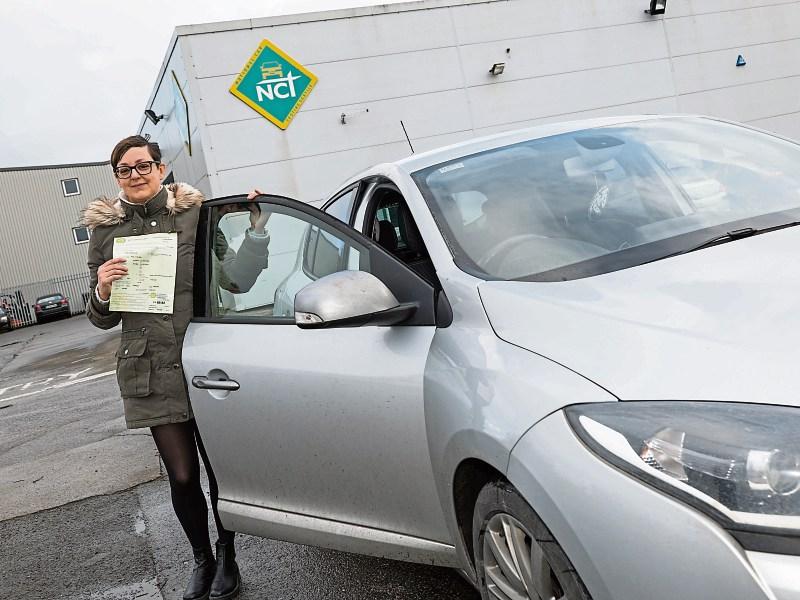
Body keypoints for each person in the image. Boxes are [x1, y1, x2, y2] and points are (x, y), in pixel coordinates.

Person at [82, 135, 269, 600]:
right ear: (116, 177)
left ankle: (227, 556)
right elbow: (102, 318)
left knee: (217, 469)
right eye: (125, 169)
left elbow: (237, 280)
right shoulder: (104, 233)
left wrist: (257, 231)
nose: (135, 175)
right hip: (150, 368)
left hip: (203, 361)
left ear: (161, 169)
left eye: (143, 165)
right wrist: (102, 289)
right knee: (183, 475)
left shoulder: (194, 215)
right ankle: (201, 559)